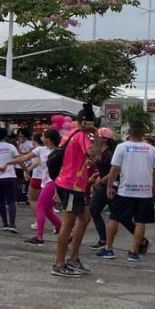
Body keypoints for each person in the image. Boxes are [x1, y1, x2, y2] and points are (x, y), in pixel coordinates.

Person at [97, 122, 155, 262]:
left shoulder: (122, 147)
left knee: (114, 218)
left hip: (126, 190)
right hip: (144, 192)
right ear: (143, 134)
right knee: (140, 222)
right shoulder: (152, 150)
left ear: (129, 133)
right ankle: (133, 252)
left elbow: (114, 169)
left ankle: (108, 249)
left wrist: (109, 186)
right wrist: (153, 190)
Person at [51, 103, 98, 277]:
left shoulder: (69, 134)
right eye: (91, 121)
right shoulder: (82, 136)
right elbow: (95, 153)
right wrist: (97, 134)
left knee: (85, 219)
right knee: (68, 224)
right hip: (72, 185)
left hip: (70, 183)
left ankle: (73, 258)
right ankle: (59, 263)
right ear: (85, 122)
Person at [13, 130, 63, 246]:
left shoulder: (59, 152)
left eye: (43, 136)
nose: (41, 138)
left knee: (40, 207)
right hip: (45, 181)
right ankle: (62, 229)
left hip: (53, 182)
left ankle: (39, 236)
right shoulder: (41, 150)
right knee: (48, 210)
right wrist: (8, 162)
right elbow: (23, 158)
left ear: (48, 139)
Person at [88, 128, 130, 252]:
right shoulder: (101, 151)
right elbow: (103, 169)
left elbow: (114, 171)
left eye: (97, 137)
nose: (95, 139)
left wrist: (102, 180)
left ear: (105, 139)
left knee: (118, 215)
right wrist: (96, 176)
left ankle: (142, 240)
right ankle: (103, 240)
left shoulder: (111, 153)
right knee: (96, 210)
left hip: (111, 185)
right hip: (104, 185)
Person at [0, 127, 21, 233]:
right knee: (11, 201)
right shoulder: (11, 147)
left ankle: (5, 223)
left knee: (1, 201)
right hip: (10, 176)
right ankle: (12, 224)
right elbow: (19, 158)